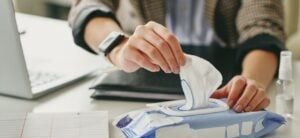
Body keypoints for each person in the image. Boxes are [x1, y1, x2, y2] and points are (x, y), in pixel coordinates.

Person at [68, 0, 285, 112]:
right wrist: (117, 46)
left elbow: (263, 26)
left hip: (228, 76)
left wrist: (251, 81)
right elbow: (86, 6)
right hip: (142, 76)